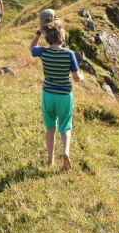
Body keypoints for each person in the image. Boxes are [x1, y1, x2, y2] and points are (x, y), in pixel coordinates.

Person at [30, 9, 84, 170]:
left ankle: (50, 159)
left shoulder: (43, 53)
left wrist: (39, 32)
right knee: (65, 126)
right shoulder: (69, 54)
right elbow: (75, 78)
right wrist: (82, 77)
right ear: (62, 38)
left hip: (48, 95)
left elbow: (32, 48)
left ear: (49, 38)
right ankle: (65, 152)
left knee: (50, 128)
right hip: (64, 96)